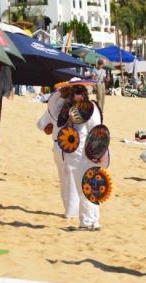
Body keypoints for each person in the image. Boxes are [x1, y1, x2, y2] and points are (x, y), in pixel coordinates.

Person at [62, 84, 109, 231]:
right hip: (80, 154)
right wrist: (70, 120)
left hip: (85, 155)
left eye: (74, 93)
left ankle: (88, 222)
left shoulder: (91, 109)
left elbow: (97, 131)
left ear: (82, 95)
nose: (71, 96)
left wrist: (97, 154)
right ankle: (93, 221)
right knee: (88, 187)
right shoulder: (76, 110)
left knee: (85, 188)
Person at [37, 86, 80, 219]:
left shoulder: (55, 106)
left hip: (58, 146)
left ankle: (70, 209)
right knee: (71, 179)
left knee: (64, 178)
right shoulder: (78, 109)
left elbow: (41, 125)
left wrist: (49, 128)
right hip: (70, 146)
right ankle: (71, 210)